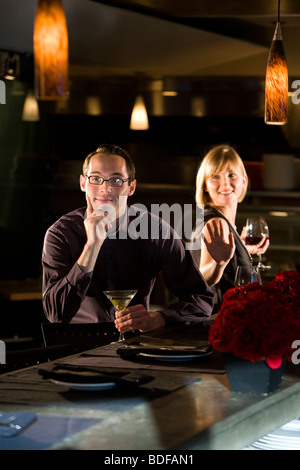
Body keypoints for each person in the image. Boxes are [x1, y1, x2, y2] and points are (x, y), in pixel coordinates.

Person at [42, 144, 214, 334]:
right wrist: (92, 246)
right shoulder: (60, 234)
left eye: (116, 180)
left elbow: (201, 300)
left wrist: (160, 318)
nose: (105, 188)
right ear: (83, 183)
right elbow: (55, 314)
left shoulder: (156, 231)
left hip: (136, 347)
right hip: (74, 348)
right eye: (96, 178)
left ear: (130, 187)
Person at [192, 144, 269, 312]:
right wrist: (219, 263)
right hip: (218, 320)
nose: (225, 183)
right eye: (215, 177)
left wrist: (241, 250)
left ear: (244, 181)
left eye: (231, 175)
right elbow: (200, 277)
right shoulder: (215, 223)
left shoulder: (221, 221)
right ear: (205, 185)